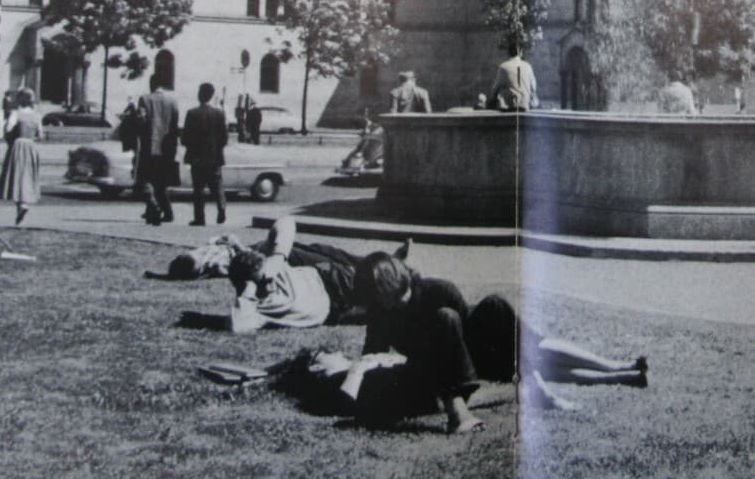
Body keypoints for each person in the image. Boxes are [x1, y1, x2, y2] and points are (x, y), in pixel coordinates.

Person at [333, 252, 647, 432]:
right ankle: (596, 377)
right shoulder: (381, 313)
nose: (372, 302)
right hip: (443, 372)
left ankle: (619, 371)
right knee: (525, 352)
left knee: (501, 313)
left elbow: (467, 331)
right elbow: (371, 353)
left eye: (375, 294)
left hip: (472, 356)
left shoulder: (437, 290)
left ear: (386, 286)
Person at [228, 217, 394, 331]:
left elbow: (286, 221)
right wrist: (248, 290)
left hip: (331, 280)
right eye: (264, 282)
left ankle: (394, 267)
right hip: (335, 312)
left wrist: (278, 258)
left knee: (383, 286)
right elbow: (239, 325)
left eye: (269, 277)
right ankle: (391, 264)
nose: (271, 283)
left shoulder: (273, 270)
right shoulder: (256, 307)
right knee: (382, 311)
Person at [182, 82, 229, 227]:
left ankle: (199, 218)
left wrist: (190, 147)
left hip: (197, 158)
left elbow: (185, 138)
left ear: (200, 94)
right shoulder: (219, 114)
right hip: (214, 157)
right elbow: (224, 137)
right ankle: (221, 208)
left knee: (198, 189)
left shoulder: (192, 113)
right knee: (217, 185)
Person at [137, 73, 181, 226]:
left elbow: (141, 121)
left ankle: (154, 207)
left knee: (145, 180)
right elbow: (175, 127)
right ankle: (167, 212)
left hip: (150, 147)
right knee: (161, 182)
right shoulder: (173, 101)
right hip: (167, 148)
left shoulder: (145, 99)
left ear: (151, 84)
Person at [0, 89, 42, 225]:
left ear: (20, 100)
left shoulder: (16, 114)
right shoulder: (37, 115)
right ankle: (23, 205)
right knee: (27, 176)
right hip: (31, 146)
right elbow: (40, 134)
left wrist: (10, 138)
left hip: (18, 145)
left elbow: (8, 129)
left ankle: (21, 206)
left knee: (17, 176)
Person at [491, 41, 537, 111]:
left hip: (510, 105)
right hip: (524, 104)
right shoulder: (528, 66)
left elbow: (496, 87)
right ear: (521, 52)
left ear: (508, 53)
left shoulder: (504, 67)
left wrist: (492, 98)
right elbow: (533, 87)